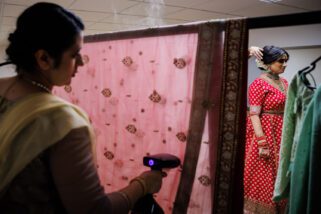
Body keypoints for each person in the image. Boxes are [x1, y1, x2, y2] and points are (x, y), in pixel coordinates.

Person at [0, 2, 164, 213]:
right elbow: (94, 210)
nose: (82, 63)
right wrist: (144, 184)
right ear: (44, 59)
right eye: (74, 54)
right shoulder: (61, 120)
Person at [244, 45, 289, 213]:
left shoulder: (284, 82)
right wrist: (262, 142)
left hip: (281, 130)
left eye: (285, 61)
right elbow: (254, 114)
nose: (284, 64)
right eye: (280, 61)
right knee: (264, 173)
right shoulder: (258, 84)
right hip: (265, 131)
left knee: (280, 172)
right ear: (268, 62)